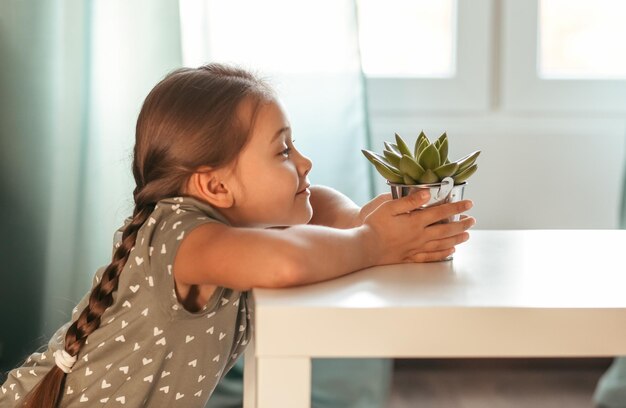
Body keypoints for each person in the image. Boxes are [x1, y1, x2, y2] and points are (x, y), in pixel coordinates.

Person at [0, 63, 475, 408]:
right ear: (215, 186)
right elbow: (284, 263)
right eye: (283, 150)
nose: (304, 162)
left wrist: (364, 221)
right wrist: (374, 243)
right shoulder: (183, 236)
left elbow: (319, 205)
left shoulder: (227, 227)